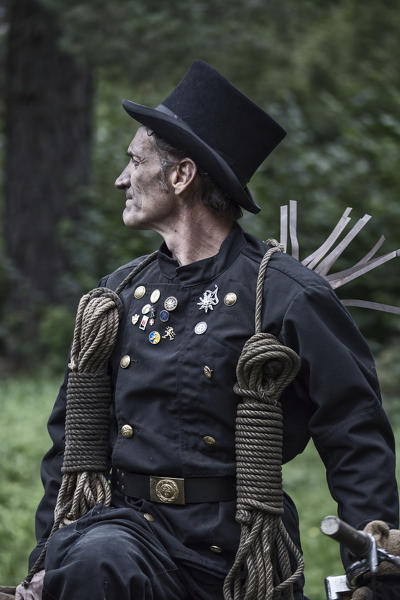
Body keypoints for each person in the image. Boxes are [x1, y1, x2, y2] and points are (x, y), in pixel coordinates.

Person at [18, 60, 399, 600]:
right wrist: (45, 560)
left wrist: (376, 577)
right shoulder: (116, 297)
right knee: (96, 562)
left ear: (181, 176)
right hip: (125, 538)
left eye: (134, 161)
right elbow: (72, 446)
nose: (121, 179)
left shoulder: (287, 296)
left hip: (239, 550)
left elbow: (356, 440)